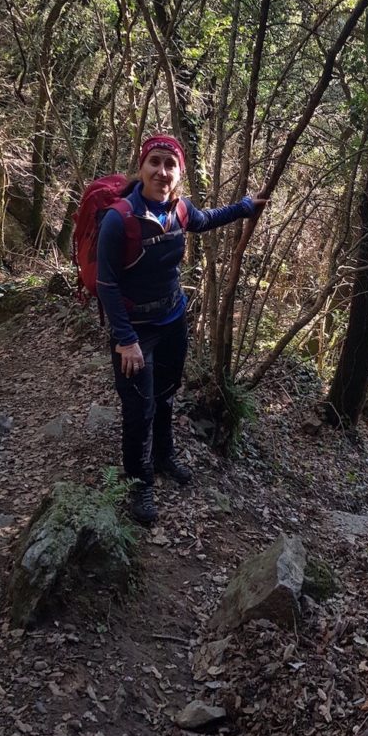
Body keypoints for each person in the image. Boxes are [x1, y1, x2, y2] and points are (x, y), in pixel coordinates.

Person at [96, 133, 267, 524]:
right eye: (154, 162)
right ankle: (139, 485)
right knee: (138, 411)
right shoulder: (118, 219)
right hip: (136, 333)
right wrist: (126, 341)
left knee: (167, 396)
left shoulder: (180, 210)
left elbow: (206, 220)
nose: (161, 171)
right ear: (141, 167)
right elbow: (106, 284)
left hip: (174, 322)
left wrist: (244, 207)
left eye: (169, 164)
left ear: (179, 173)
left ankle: (163, 456)